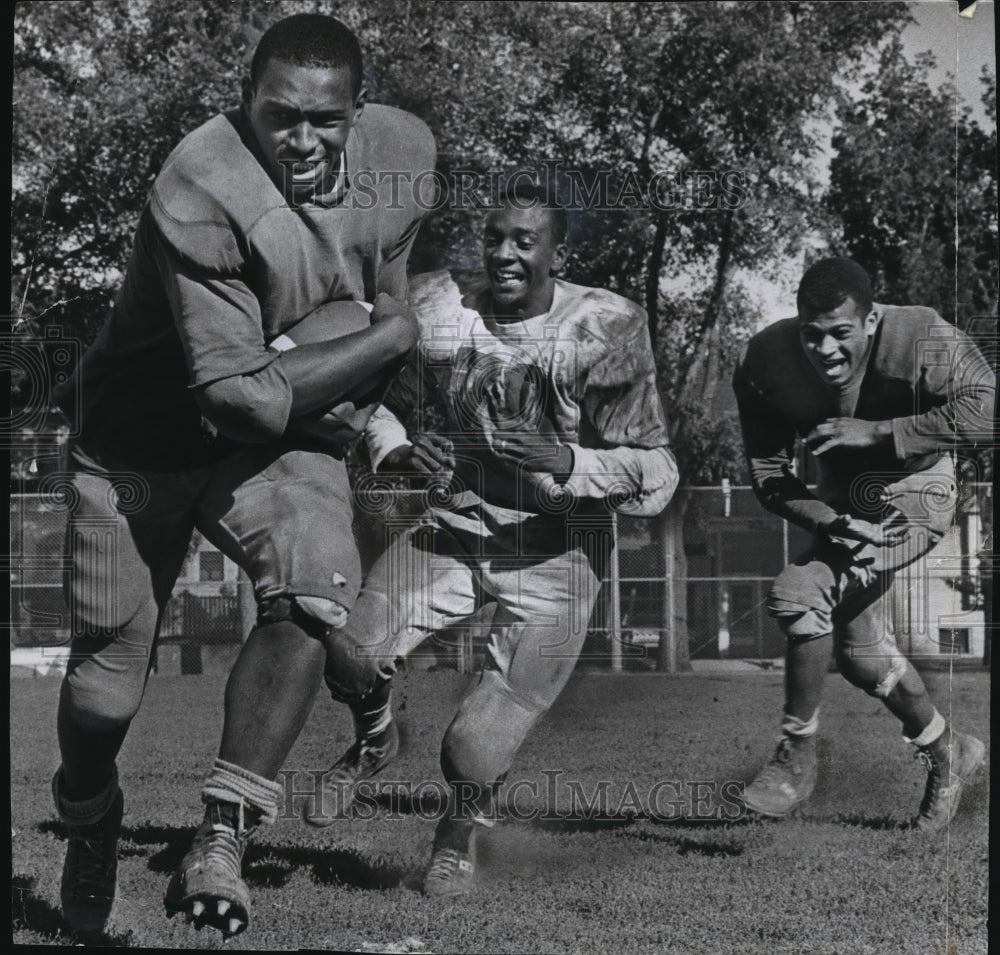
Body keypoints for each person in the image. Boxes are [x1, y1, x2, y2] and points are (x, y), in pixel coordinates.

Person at [50, 13, 435, 938]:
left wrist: (371, 355)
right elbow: (238, 396)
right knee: (108, 685)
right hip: (144, 440)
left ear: (359, 110)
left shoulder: (400, 151)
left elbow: (383, 277)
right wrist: (389, 337)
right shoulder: (201, 181)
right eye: (279, 116)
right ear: (245, 101)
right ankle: (90, 808)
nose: (302, 140)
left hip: (276, 427)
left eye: (325, 120)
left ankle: (224, 830)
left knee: (316, 580)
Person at [304, 183, 680, 896]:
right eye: (495, 238)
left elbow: (658, 472)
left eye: (524, 241)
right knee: (348, 653)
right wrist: (400, 450)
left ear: (558, 254)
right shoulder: (439, 305)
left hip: (561, 551)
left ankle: (458, 828)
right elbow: (378, 402)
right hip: (461, 521)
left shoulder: (606, 327)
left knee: (470, 748)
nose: (504, 254)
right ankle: (378, 735)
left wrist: (564, 459)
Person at [732, 257, 992, 829]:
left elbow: (991, 410)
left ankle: (796, 756)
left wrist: (881, 431)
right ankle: (951, 752)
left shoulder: (917, 334)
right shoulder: (765, 361)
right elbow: (769, 475)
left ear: (871, 320)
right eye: (811, 334)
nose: (824, 350)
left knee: (800, 595)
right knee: (856, 654)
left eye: (840, 333)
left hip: (915, 490)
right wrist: (828, 520)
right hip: (839, 500)